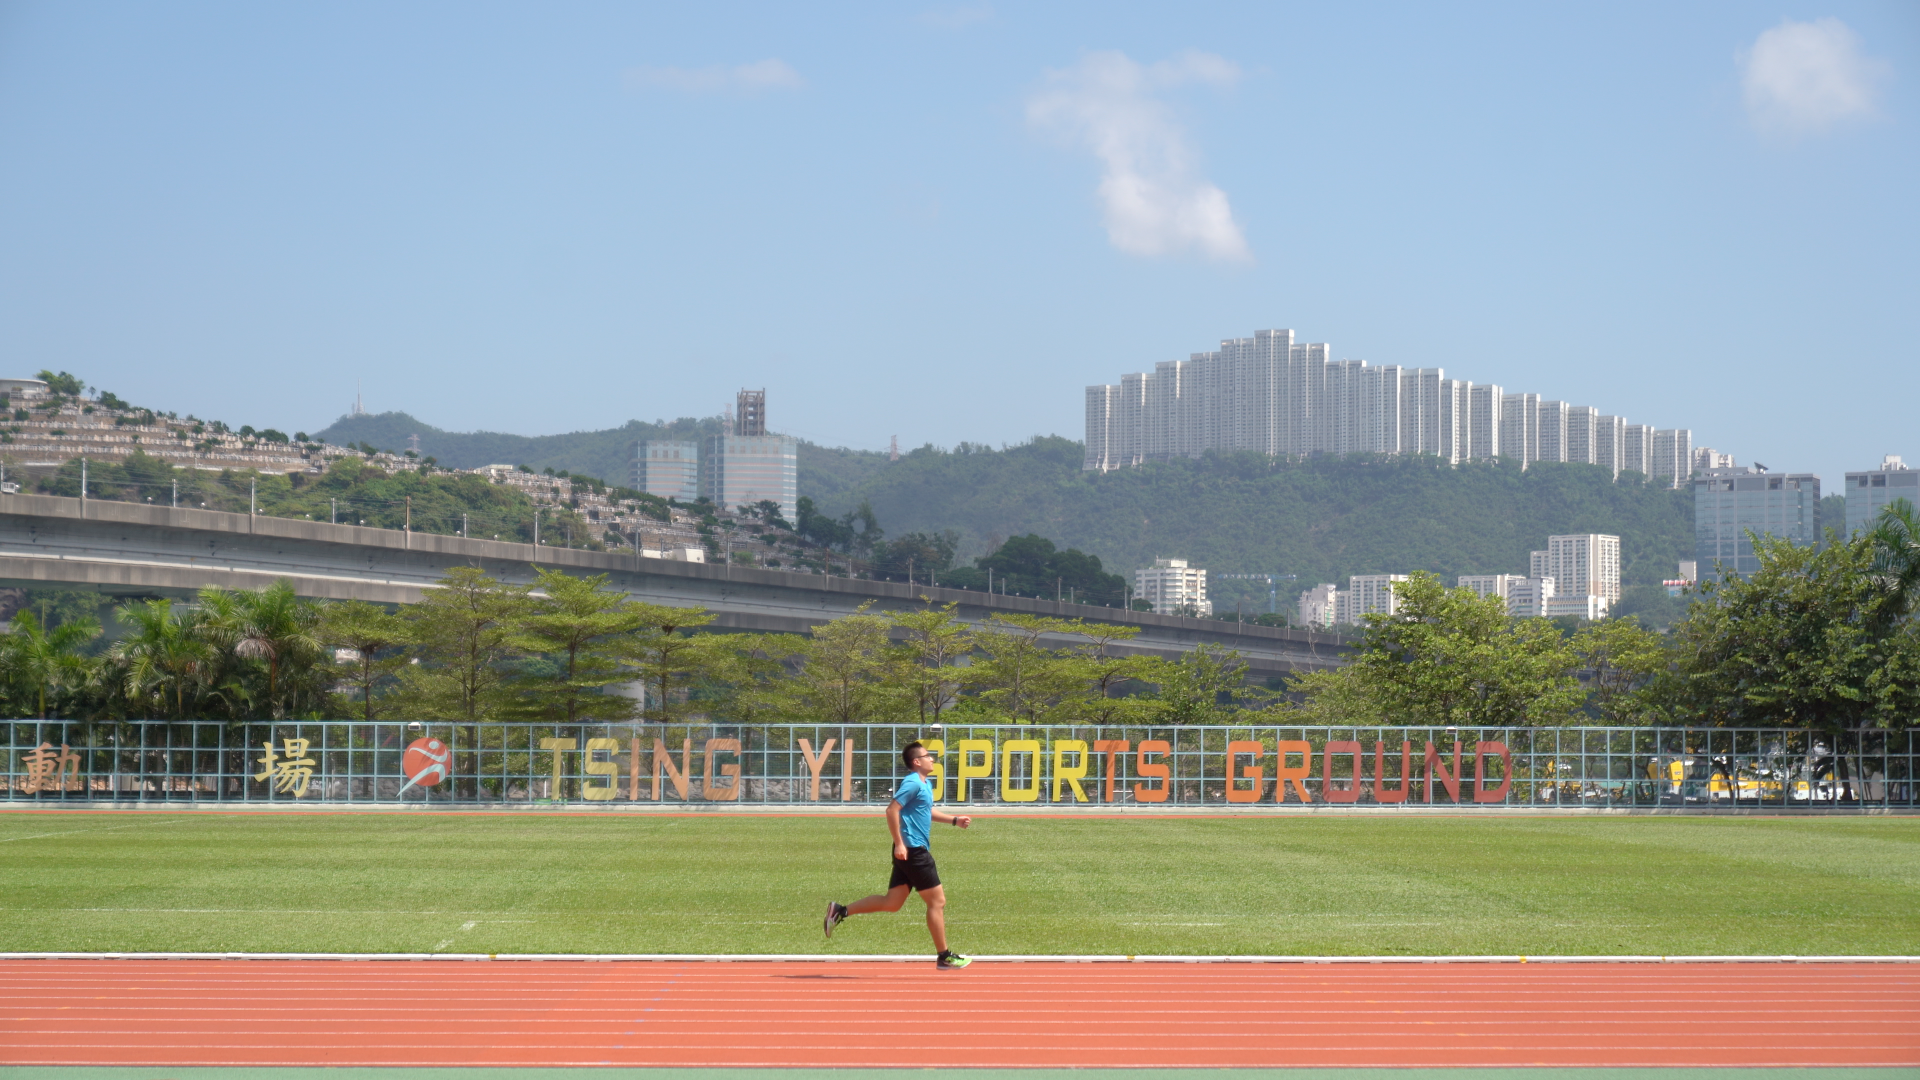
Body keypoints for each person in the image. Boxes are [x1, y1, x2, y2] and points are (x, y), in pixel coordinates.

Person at [824, 740, 973, 969]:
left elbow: (925, 810)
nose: (931, 759)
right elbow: (892, 809)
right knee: (937, 901)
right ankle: (944, 956)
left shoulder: (925, 784)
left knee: (892, 903)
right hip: (913, 851)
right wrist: (899, 844)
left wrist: (954, 820)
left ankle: (840, 911)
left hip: (910, 851)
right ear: (916, 761)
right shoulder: (912, 783)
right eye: (927, 756)